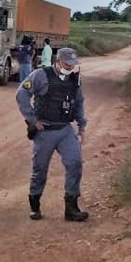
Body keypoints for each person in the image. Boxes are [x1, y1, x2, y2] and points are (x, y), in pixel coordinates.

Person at [15, 47, 89, 222]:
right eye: (66, 64)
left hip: (64, 129)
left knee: (75, 163)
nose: (70, 67)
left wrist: (82, 126)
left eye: (73, 65)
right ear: (57, 61)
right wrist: (33, 120)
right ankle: (35, 204)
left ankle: (71, 208)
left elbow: (78, 103)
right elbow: (21, 94)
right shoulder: (41, 75)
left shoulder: (74, 80)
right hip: (45, 131)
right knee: (39, 169)